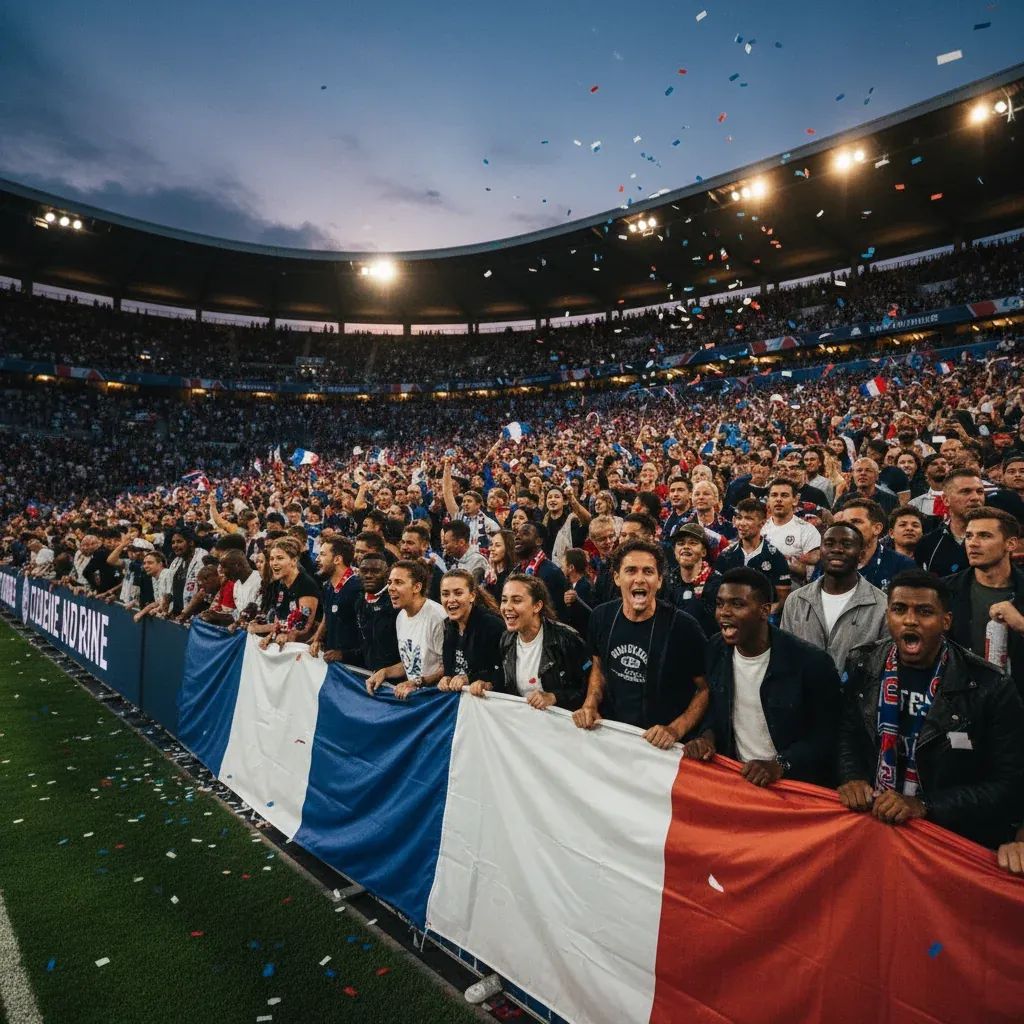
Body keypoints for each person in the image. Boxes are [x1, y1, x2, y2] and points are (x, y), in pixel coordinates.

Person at [837, 570, 1024, 849]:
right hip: (874, 826)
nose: (910, 620)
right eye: (899, 609)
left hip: (948, 839)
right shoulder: (863, 664)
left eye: (924, 611)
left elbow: (1009, 783)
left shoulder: (989, 686)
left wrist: (925, 805)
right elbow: (848, 734)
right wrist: (852, 777)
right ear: (887, 616)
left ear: (946, 621)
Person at [686, 567, 842, 786]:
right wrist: (706, 738)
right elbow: (716, 710)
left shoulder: (811, 663)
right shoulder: (715, 649)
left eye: (737, 604)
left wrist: (779, 765)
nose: (724, 612)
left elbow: (827, 735)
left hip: (794, 787)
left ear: (764, 611)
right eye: (720, 604)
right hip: (738, 778)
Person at [574, 540, 709, 749]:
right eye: (630, 571)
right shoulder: (601, 617)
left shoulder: (684, 627)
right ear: (617, 578)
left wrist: (675, 729)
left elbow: (705, 689)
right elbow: (598, 667)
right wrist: (590, 703)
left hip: (660, 748)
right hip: (612, 735)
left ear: (659, 580)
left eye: (648, 571)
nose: (639, 579)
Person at [469, 573, 588, 710]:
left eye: (516, 600)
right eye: (504, 600)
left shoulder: (566, 638)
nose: (507, 607)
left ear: (537, 606)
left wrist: (554, 697)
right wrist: (488, 685)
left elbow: (589, 690)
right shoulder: (506, 640)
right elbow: (506, 685)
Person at [781, 523, 889, 671]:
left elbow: (883, 665)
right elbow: (785, 655)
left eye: (847, 544)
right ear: (821, 552)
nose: (837, 549)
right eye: (829, 544)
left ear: (861, 555)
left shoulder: (881, 605)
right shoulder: (796, 600)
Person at [945, 507, 1024, 700]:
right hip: (960, 702)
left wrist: (1021, 625)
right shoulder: (945, 590)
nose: (973, 543)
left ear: (1010, 544)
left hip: (1017, 702)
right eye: (969, 536)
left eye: (984, 536)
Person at [365, 559, 445, 699]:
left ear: (416, 587)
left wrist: (417, 683)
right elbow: (411, 662)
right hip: (416, 699)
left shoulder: (437, 618)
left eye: (398, 582)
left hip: (438, 701)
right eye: (390, 582)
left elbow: (449, 668)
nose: (390, 588)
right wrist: (385, 672)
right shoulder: (401, 616)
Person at [708, 498, 791, 615]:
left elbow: (782, 599)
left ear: (762, 523)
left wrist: (760, 617)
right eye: (739, 518)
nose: (742, 523)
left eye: (748, 518)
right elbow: (714, 593)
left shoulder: (775, 557)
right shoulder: (726, 555)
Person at [435, 569, 505, 693]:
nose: (451, 599)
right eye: (445, 594)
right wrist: (446, 679)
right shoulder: (448, 625)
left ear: (472, 596)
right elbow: (450, 670)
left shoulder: (492, 625)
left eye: (458, 593)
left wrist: (472, 679)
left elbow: (504, 672)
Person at [247, 537, 320, 648]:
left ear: (294, 561)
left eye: (280, 558)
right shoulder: (280, 584)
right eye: (271, 559)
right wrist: (270, 637)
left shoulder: (306, 584)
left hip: (302, 649)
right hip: (283, 646)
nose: (274, 563)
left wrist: (286, 635)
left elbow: (305, 625)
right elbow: (278, 621)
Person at [914, 469, 987, 577]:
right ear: (946, 500)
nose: (975, 497)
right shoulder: (928, 544)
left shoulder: (998, 539)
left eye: (980, 491)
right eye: (966, 491)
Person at [833, 498, 915, 593]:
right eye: (844, 523)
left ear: (877, 528)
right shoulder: (831, 562)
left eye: (856, 521)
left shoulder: (903, 566)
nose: (848, 528)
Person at [309, 536, 363, 664]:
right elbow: (326, 616)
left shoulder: (357, 588)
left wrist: (343, 655)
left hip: (354, 667)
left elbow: (366, 633)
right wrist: (317, 639)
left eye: (322, 555)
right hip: (333, 662)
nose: (317, 559)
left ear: (337, 559)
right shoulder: (327, 586)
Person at [761, 478, 821, 586]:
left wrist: (782, 562)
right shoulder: (760, 528)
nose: (778, 499)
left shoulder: (807, 530)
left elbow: (813, 574)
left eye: (784, 495)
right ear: (768, 500)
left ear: (795, 500)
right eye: (774, 495)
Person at [512, 521, 570, 622]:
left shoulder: (552, 572)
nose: (517, 537)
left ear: (538, 541)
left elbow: (558, 614)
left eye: (525, 533)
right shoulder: (516, 571)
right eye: (517, 533)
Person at [667, 524, 717, 635]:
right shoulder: (666, 582)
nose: (686, 547)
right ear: (675, 551)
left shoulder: (717, 584)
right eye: (680, 543)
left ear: (704, 552)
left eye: (693, 543)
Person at [355, 551, 400, 672]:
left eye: (375, 571)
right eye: (364, 571)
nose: (368, 575)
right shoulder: (360, 601)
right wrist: (343, 655)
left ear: (387, 574)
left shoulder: (396, 602)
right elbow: (365, 645)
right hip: (369, 674)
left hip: (395, 677)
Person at [201, 550, 260, 625]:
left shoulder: (259, 580)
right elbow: (238, 615)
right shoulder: (237, 585)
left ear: (237, 565)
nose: (223, 572)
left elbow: (256, 614)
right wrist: (217, 615)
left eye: (225, 567)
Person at [540, 485, 590, 562]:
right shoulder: (544, 522)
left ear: (564, 501)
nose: (552, 500)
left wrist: (572, 498)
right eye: (549, 497)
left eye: (557, 497)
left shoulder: (573, 520)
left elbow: (588, 522)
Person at [166, 528, 208, 618]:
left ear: (191, 542)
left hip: (195, 616)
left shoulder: (203, 559)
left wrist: (185, 613)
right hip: (177, 615)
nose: (175, 545)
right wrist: (166, 608)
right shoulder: (175, 562)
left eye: (179, 541)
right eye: (173, 542)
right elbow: (170, 590)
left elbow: (203, 592)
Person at [834, 458, 899, 516]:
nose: (863, 473)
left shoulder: (891, 500)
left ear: (877, 476)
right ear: (853, 475)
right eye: (859, 470)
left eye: (868, 470)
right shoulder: (843, 500)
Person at [561, 546, 594, 634]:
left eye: (563, 566)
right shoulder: (570, 585)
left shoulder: (585, 587)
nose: (561, 569)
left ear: (571, 567)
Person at [484, 527, 516, 603]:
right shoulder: (489, 574)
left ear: (509, 548)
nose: (491, 549)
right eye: (491, 544)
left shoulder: (513, 575)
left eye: (497, 545)